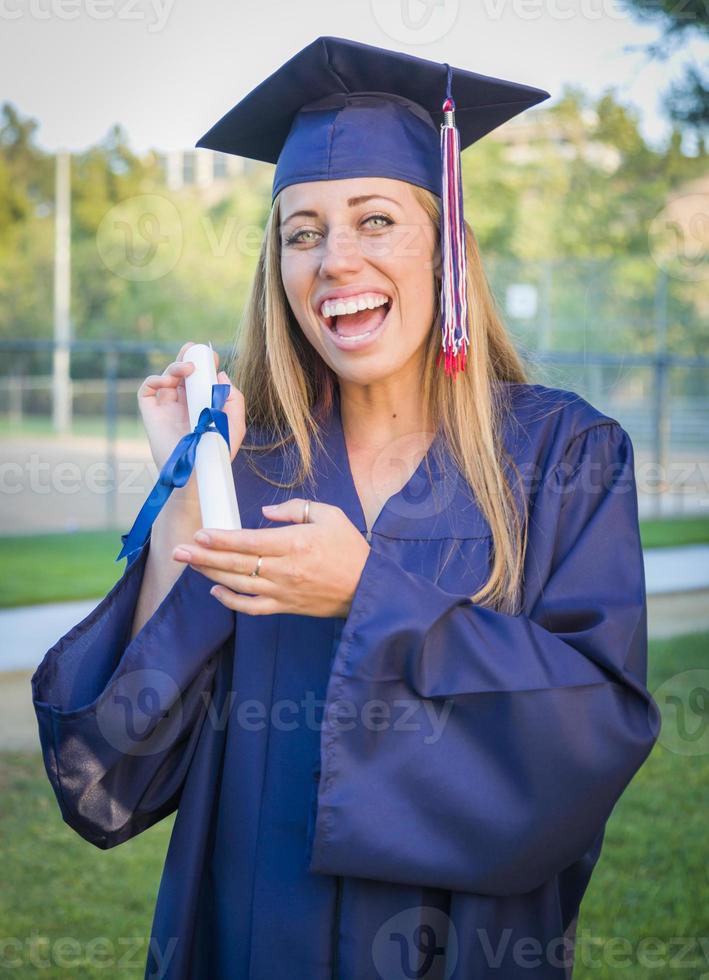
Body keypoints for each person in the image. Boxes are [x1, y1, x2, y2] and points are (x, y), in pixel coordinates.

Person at [31, 36, 661, 980]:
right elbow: (107, 777)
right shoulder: (249, 472)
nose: (334, 261)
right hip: (253, 946)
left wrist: (369, 594)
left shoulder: (561, 456)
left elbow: (593, 734)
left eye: (375, 220)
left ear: (446, 248)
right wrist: (184, 501)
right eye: (301, 232)